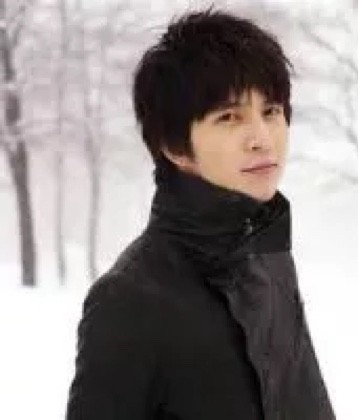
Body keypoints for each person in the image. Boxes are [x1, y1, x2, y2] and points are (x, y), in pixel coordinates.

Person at [66, 9, 336, 420]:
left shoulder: (270, 256)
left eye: (271, 111)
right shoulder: (129, 300)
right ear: (175, 147)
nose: (262, 139)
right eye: (229, 117)